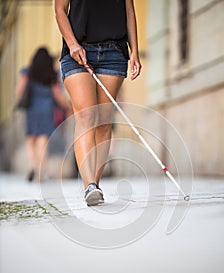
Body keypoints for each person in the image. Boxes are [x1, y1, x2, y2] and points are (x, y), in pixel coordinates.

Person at [55, 0, 141, 205]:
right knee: (86, 115)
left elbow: (128, 10)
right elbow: (59, 9)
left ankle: (94, 184)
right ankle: (90, 186)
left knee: (103, 121)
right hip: (77, 51)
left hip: (113, 52)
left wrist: (134, 50)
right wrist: (72, 43)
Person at [16, 47, 71, 182]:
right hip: (47, 112)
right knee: (42, 142)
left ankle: (32, 166)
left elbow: (19, 91)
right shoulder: (52, 75)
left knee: (31, 140)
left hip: (31, 111)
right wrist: (68, 106)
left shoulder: (28, 73)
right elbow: (58, 95)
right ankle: (41, 174)